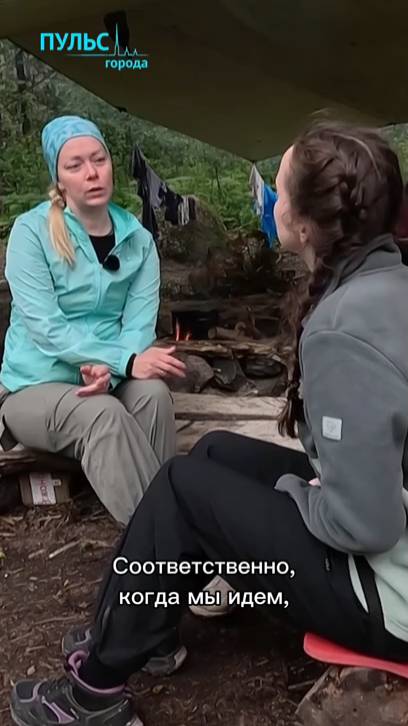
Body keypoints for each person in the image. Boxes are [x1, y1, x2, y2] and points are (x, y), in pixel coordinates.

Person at [10, 122, 408, 726]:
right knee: (219, 452)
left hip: (386, 597)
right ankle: (138, 619)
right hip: (390, 541)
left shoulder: (343, 330)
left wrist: (296, 491)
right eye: (75, 164)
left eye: (278, 189)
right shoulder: (386, 283)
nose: (271, 199)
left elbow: (365, 525)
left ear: (304, 223)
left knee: (181, 486)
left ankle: (94, 692)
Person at [0, 115, 186, 528]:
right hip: (34, 385)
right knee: (103, 414)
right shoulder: (31, 233)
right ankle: (163, 537)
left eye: (99, 160)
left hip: (109, 377)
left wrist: (113, 371)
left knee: (154, 396)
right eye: (75, 165)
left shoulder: (138, 240)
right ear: (59, 179)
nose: (91, 172)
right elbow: (46, 328)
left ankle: (165, 524)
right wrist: (123, 361)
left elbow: (138, 325)